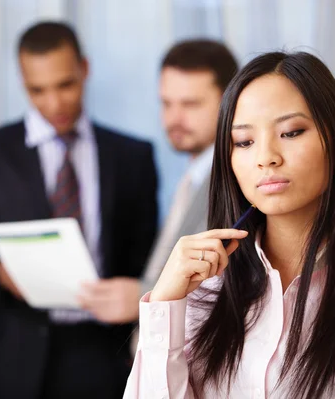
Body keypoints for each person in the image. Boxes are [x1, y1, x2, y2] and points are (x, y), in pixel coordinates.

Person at [123, 51, 335, 398]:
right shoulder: (202, 289)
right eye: (244, 142)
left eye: (291, 132)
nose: (266, 157)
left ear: (334, 141)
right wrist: (165, 302)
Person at [0, 21, 157, 399]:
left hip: (102, 353)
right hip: (7, 354)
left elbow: (145, 262)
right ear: (22, 81)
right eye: (37, 90)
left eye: (65, 85)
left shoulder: (132, 156)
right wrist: (1, 274)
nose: (54, 103)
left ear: (85, 69)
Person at [79, 40, 238, 327]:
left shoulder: (236, 180)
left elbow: (228, 287)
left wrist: (142, 296)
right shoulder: (193, 175)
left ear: (230, 100)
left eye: (190, 104)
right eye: (166, 103)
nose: (174, 119)